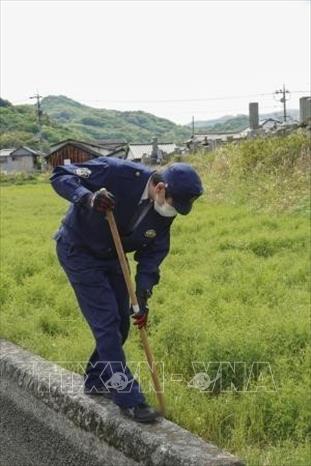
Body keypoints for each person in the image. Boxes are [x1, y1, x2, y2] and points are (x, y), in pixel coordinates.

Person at [50, 157, 203, 423]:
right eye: (171, 202)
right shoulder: (117, 172)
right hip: (79, 250)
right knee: (107, 323)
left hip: (112, 256)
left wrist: (142, 296)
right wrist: (88, 198)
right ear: (160, 188)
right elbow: (60, 175)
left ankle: (97, 380)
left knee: (122, 323)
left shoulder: (165, 210)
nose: (171, 210)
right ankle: (128, 398)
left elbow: (153, 254)